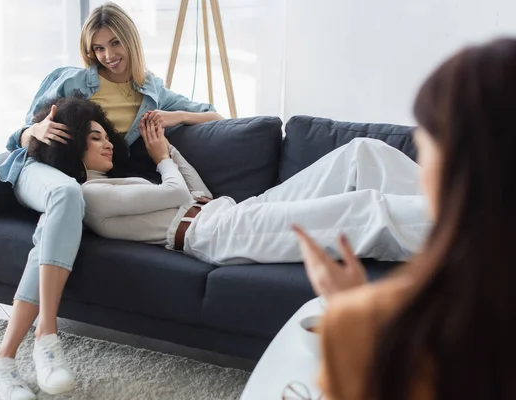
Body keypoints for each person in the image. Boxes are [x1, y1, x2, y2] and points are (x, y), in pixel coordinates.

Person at [0, 3, 223, 400]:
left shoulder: (152, 92)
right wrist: (35, 129)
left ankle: (2, 362)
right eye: (98, 48)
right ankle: (47, 334)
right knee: (65, 191)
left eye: (115, 44)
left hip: (76, 190)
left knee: (63, 211)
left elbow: (216, 116)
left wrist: (175, 115)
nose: (108, 55)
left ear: (130, 40)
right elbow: (18, 140)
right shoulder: (69, 79)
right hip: (35, 170)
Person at [293, 37, 516, 399]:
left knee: (367, 196)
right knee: (363, 153)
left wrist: (351, 306)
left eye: (425, 149)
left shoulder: (367, 328)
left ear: (454, 169)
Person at [28, 95, 431, 266]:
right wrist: (160, 159)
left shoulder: (121, 181)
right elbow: (176, 192)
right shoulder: (90, 194)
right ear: (73, 148)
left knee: (361, 152)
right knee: (362, 210)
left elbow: (197, 192)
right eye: (93, 137)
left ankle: (451, 198)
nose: (106, 143)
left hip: (233, 210)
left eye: (105, 135)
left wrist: (168, 144)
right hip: (216, 235)